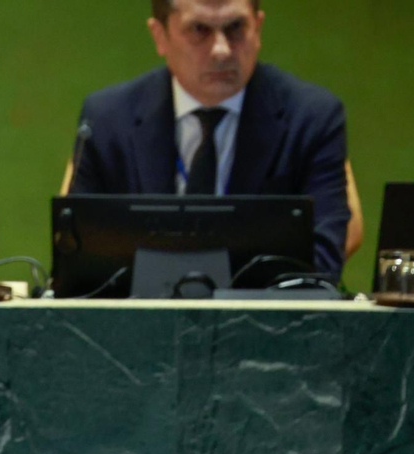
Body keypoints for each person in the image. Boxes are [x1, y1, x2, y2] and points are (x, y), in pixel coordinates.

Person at [67, 0, 350, 280]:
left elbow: (321, 264)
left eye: (236, 28)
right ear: (160, 36)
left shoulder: (311, 119)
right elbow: (78, 262)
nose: (221, 50)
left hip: (268, 321)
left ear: (258, 28)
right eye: (199, 30)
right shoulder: (106, 121)